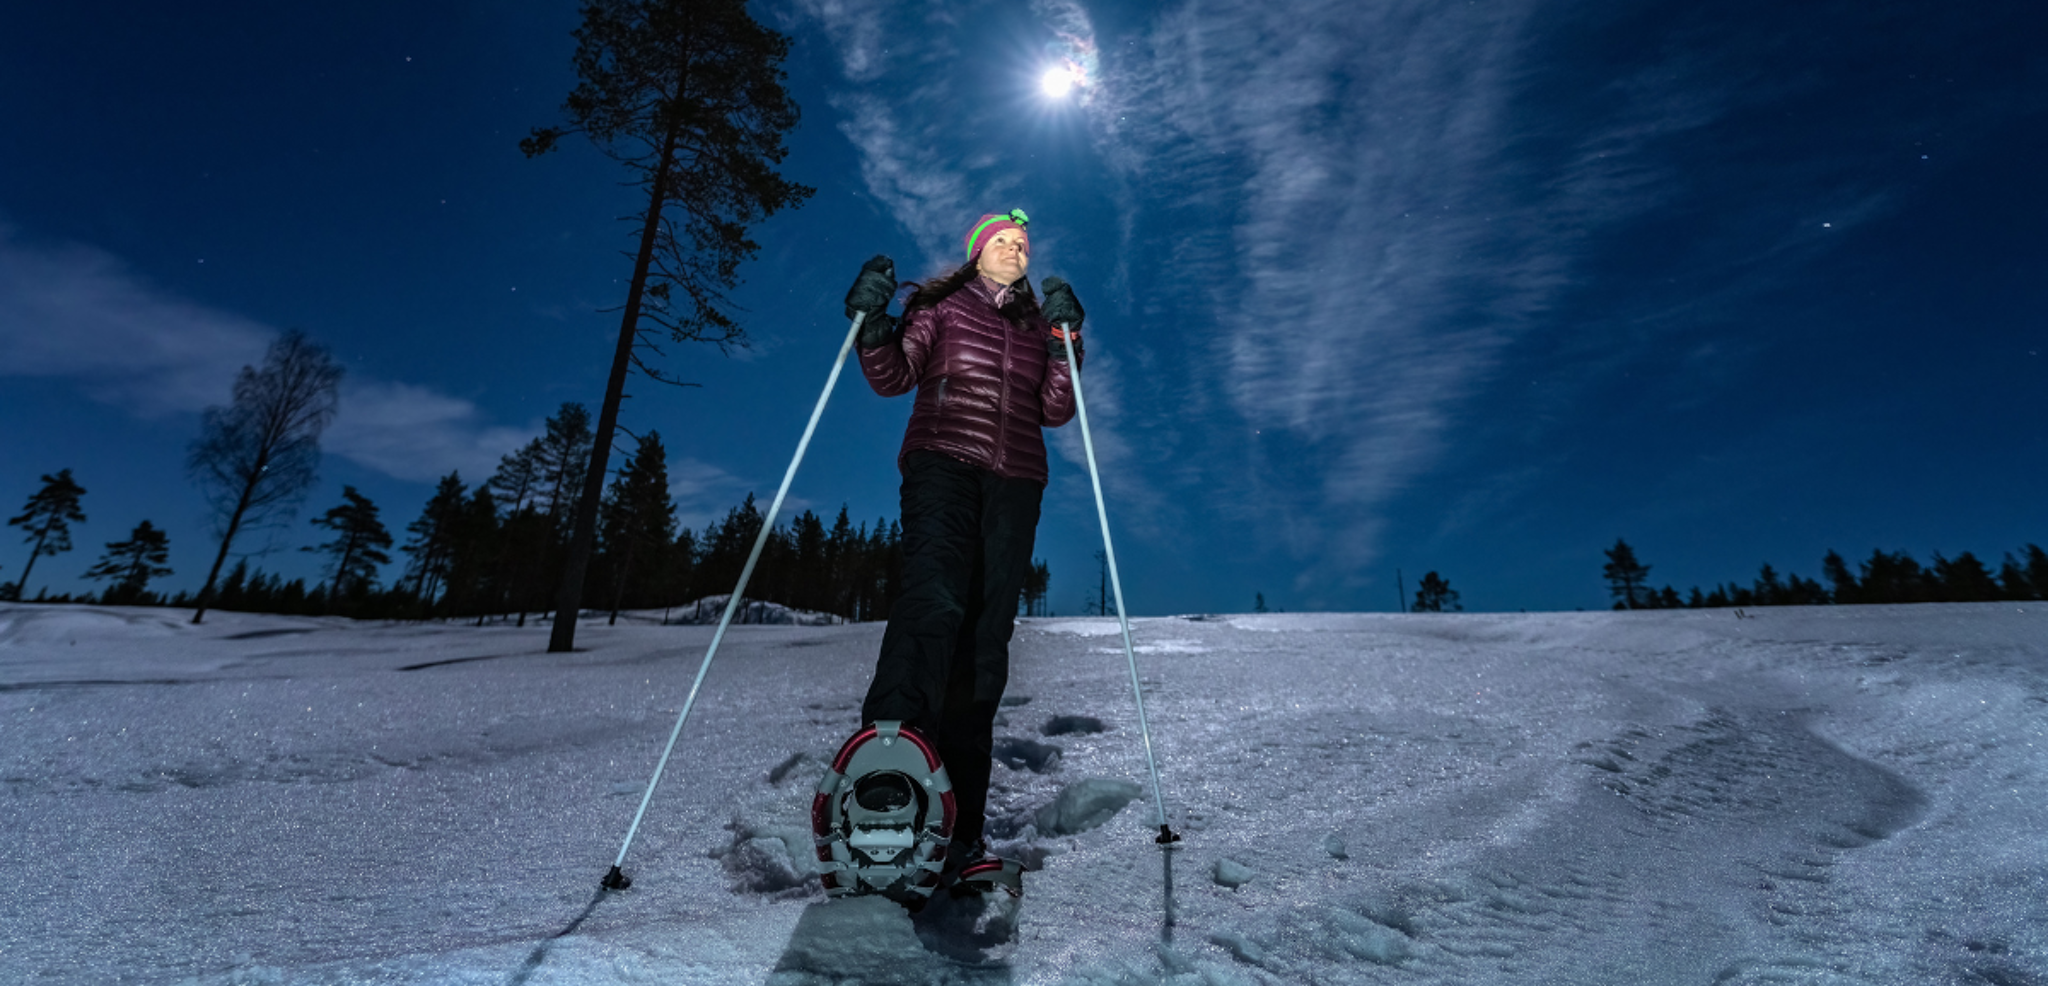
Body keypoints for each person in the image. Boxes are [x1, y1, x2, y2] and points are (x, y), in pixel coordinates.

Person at [841, 208, 1088, 884]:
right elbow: (893, 377)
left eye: (1022, 244)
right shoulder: (944, 306)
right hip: (944, 462)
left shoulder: (1038, 327)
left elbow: (1057, 410)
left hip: (1016, 484)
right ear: (978, 253)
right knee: (935, 600)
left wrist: (1067, 340)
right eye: (1003, 242)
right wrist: (873, 325)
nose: (1015, 249)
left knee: (985, 644)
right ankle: (884, 782)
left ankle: (960, 829)